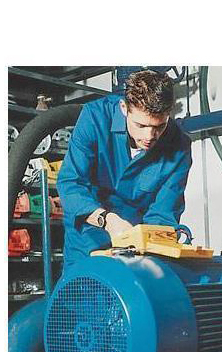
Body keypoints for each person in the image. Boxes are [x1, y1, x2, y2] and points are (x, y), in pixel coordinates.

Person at [57, 70, 192, 268]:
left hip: (138, 242)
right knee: (85, 283)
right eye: (141, 125)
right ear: (123, 108)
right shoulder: (94, 118)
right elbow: (71, 184)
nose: (149, 136)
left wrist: (148, 245)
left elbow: (163, 212)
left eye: (159, 127)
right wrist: (108, 220)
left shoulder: (179, 146)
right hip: (87, 235)